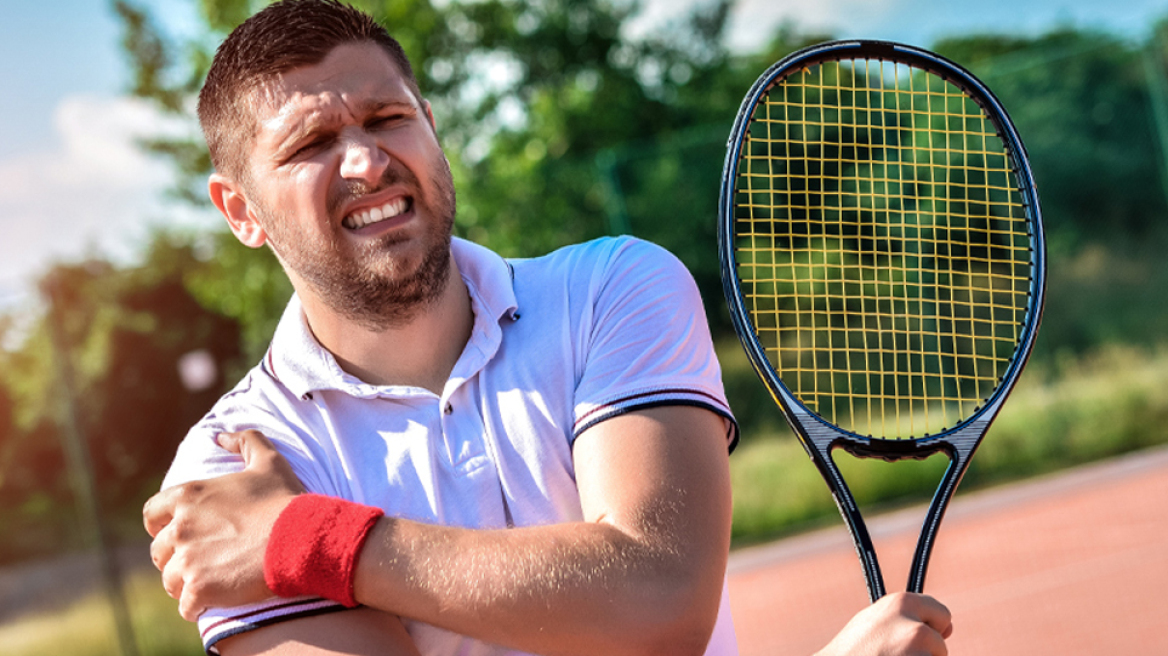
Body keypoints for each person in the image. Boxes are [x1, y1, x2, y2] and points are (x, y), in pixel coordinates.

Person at [143, 1, 954, 655]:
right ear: (240, 210)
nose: (366, 161)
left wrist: (310, 539)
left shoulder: (613, 288)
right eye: (312, 143)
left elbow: (658, 603)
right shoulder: (227, 469)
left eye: (388, 118)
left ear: (431, 125)